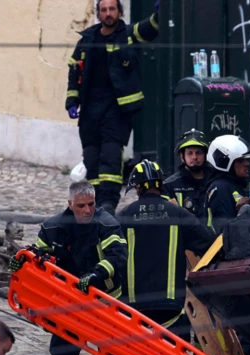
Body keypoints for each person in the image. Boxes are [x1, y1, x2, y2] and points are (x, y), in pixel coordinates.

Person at [11, 181, 130, 355]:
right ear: (69, 204)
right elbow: (37, 255)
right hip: (68, 306)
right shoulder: (54, 227)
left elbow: (118, 256)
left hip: (105, 303)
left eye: (91, 205)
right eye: (81, 206)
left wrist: (96, 274)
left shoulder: (107, 223)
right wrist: (22, 260)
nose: (87, 210)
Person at [116, 160, 216, 355]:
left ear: (137, 188)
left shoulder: (124, 216)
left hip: (134, 303)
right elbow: (207, 241)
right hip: (171, 303)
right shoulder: (178, 213)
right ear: (161, 185)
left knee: (136, 354)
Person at [65, 0, 160, 215]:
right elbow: (74, 72)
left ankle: (108, 203)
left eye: (112, 9)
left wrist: (159, 15)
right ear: (98, 13)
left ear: (120, 11)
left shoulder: (127, 34)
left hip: (116, 111)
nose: (108, 14)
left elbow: (149, 29)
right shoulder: (87, 39)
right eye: (104, 10)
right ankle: (94, 203)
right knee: (91, 160)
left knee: (110, 159)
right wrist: (72, 101)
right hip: (90, 111)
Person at [204, 135, 250, 232]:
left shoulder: (233, 185)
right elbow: (225, 231)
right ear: (224, 162)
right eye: (240, 160)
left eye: (246, 160)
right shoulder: (220, 188)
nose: (247, 163)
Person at [164, 129, 212, 220]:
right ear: (182, 156)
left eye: (199, 153)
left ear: (206, 155)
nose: (194, 157)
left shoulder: (215, 181)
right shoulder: (170, 185)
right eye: (190, 153)